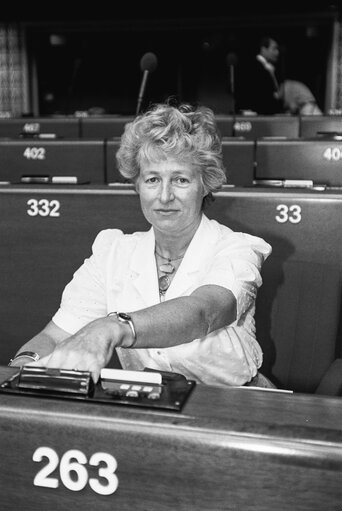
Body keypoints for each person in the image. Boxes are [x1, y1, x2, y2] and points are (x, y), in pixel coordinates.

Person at [9, 101, 272, 388]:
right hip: (150, 406)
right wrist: (22, 368)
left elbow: (203, 312)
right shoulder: (112, 251)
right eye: (152, 179)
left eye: (181, 179)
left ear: (206, 183)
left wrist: (112, 327)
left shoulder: (238, 248)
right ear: (137, 185)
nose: (165, 195)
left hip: (234, 403)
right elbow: (54, 337)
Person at [236, 36, 284, 115]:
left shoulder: (268, 67)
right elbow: (259, 95)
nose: (277, 53)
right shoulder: (253, 67)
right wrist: (275, 97)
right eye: (274, 49)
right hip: (257, 114)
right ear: (263, 49)